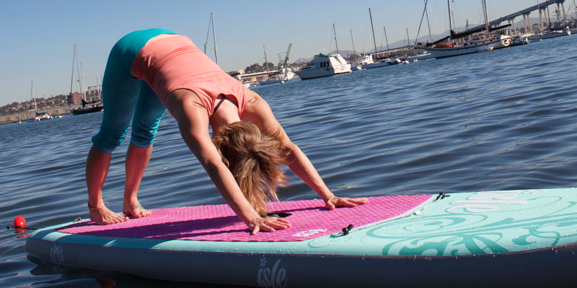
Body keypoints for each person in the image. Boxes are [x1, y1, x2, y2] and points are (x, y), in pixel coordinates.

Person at [85, 28, 366, 233]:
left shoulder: (251, 100)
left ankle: (130, 201)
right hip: (131, 51)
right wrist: (251, 218)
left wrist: (327, 195)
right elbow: (213, 164)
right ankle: (96, 206)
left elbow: (287, 148)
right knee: (114, 133)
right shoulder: (190, 106)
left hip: (176, 44)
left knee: (145, 130)